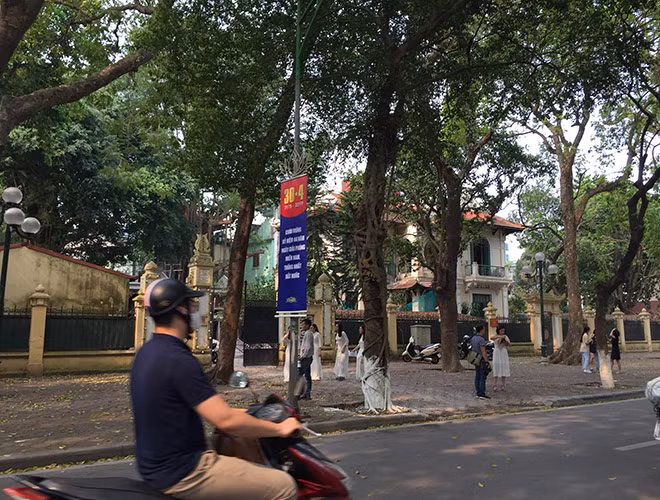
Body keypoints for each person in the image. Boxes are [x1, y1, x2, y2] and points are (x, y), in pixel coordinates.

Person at [131, 278, 299, 500]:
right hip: (186, 470)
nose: (195, 311)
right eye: (191, 306)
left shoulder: (147, 353)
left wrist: (249, 412)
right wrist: (281, 429)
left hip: (155, 468)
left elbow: (197, 407)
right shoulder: (178, 359)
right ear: (180, 310)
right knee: (284, 485)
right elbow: (225, 420)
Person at [470, 325, 491, 399]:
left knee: (477, 375)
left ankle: (478, 391)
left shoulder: (473, 338)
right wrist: (487, 360)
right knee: (482, 376)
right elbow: (483, 351)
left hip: (475, 358)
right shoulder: (481, 339)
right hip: (481, 359)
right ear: (481, 330)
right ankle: (481, 392)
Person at [298, 318, 315, 399]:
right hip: (307, 357)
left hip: (306, 358)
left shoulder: (308, 334)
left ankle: (298, 393)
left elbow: (307, 346)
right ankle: (307, 393)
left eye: (303, 324)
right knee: (307, 375)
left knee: (299, 375)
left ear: (307, 325)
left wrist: (303, 356)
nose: (302, 326)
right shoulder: (308, 333)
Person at [491, 326, 510, 392]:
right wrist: (500, 337)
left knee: (504, 367)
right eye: (501, 330)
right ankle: (495, 384)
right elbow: (491, 338)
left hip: (503, 352)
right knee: (496, 367)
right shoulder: (495, 336)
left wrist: (505, 341)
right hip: (497, 352)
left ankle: (503, 384)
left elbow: (508, 344)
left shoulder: (505, 336)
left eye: (503, 330)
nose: (503, 332)